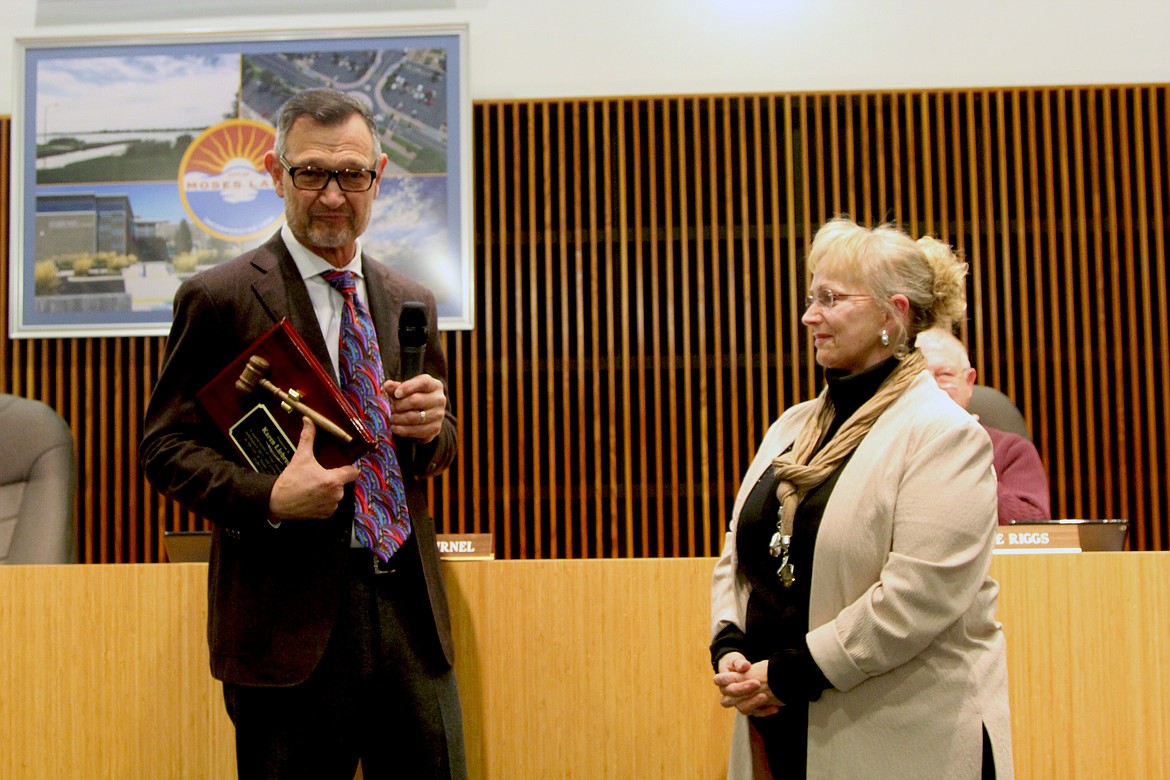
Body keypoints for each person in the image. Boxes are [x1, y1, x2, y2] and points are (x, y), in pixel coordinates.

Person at [141, 89, 466, 779]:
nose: (332, 195)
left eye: (351, 174)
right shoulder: (220, 297)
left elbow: (432, 451)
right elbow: (164, 448)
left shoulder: (411, 299)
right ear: (274, 172)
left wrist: (434, 428)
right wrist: (269, 498)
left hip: (409, 613)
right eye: (311, 172)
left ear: (377, 174)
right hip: (285, 628)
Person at [710, 219, 1012, 779]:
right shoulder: (791, 426)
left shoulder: (944, 434)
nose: (809, 316)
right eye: (809, 297)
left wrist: (790, 674)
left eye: (829, 298)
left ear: (890, 314)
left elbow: (915, 600)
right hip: (776, 724)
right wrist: (729, 643)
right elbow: (739, 552)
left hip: (899, 736)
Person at [916, 324, 1051, 523]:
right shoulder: (887, 444)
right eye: (920, 377)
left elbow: (1034, 526)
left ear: (969, 381)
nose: (932, 387)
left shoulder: (1012, 450)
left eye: (944, 375)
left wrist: (965, 456)